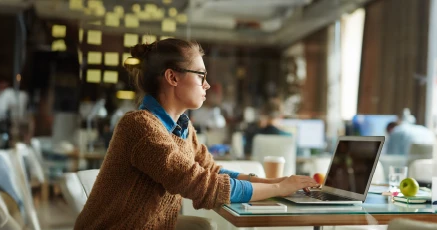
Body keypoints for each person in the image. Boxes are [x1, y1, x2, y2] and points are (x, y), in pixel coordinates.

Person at [74, 38, 319, 229]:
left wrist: (277, 182)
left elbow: (211, 171)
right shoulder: (140, 126)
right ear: (172, 77)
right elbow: (203, 186)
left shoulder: (182, 127)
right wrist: (278, 189)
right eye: (201, 75)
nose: (207, 84)